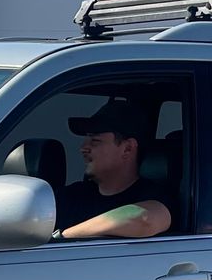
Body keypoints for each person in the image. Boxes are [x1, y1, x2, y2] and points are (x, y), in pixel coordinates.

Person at [53, 99, 177, 240]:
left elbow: (144, 219)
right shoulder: (69, 197)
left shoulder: (154, 196)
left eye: (95, 141)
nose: (83, 148)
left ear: (127, 148)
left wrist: (63, 237)